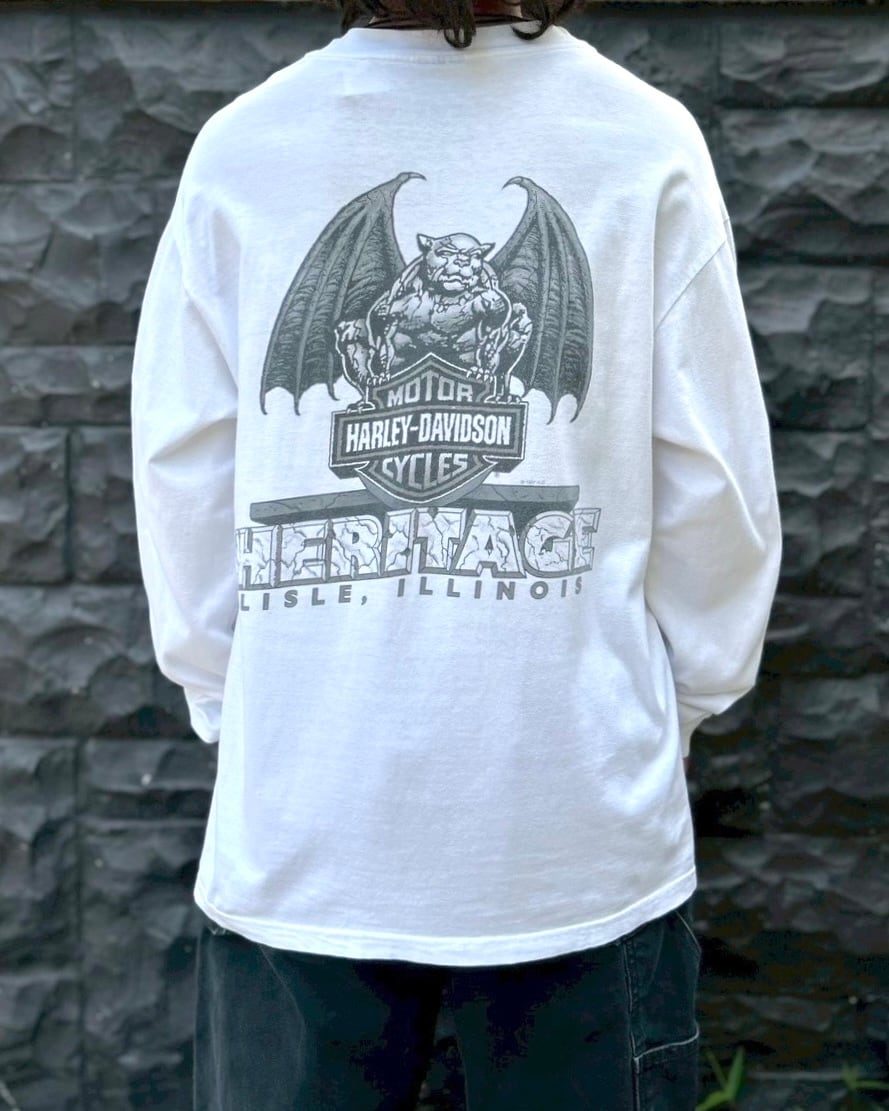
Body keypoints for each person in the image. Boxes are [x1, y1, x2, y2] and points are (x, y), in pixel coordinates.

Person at [130, 0, 781, 1104]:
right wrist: (654, 718)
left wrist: (259, 719)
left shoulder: (247, 149)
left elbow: (182, 474)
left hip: (307, 824)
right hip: (571, 822)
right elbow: (715, 499)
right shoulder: (638, 140)